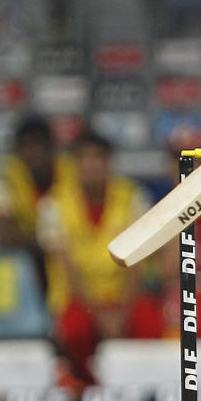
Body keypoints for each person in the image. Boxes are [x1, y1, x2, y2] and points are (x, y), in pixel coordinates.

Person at [36, 132, 149, 385]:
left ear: (109, 162)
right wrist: (100, 314)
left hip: (122, 295)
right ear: (74, 165)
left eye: (98, 158)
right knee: (75, 328)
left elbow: (137, 263)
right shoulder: (53, 204)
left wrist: (122, 308)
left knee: (148, 322)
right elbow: (65, 269)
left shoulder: (132, 196)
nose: (91, 165)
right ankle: (82, 387)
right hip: (78, 298)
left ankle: (139, 389)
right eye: (84, 159)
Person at [0, 115, 74, 298]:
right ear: (16, 150)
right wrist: (49, 244)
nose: (34, 153)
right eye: (27, 146)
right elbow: (5, 239)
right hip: (26, 259)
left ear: (52, 148)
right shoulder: (0, 174)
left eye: (40, 145)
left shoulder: (72, 170)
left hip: (68, 258)